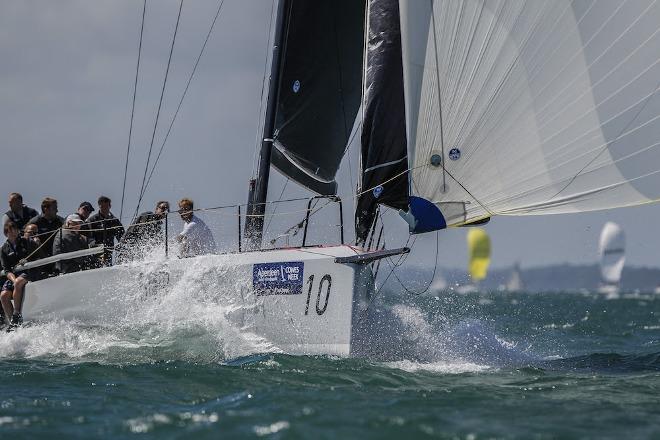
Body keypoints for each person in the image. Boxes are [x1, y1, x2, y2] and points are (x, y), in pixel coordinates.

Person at [0, 220, 40, 330]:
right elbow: (7, 270)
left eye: (15, 230)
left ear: (18, 231)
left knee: (18, 283)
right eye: (10, 231)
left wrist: (27, 260)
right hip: (14, 276)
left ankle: (17, 314)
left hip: (28, 272)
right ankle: (13, 323)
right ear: (6, 233)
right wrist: (13, 279)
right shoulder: (3, 249)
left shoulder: (26, 241)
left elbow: (38, 255)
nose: (13, 233)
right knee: (3, 295)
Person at [87, 196, 124, 266]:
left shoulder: (114, 220)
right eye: (102, 207)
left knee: (107, 266)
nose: (104, 209)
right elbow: (88, 236)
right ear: (99, 206)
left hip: (109, 250)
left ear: (110, 206)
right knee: (97, 266)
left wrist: (122, 245)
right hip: (96, 250)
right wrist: (94, 245)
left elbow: (121, 235)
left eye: (106, 207)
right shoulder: (92, 220)